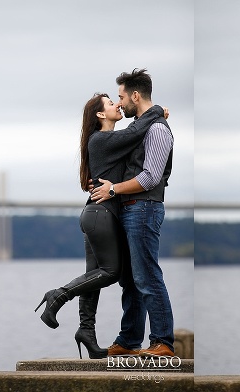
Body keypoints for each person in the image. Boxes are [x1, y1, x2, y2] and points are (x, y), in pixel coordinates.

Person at [35, 92, 168, 359]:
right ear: (100, 114)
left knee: (92, 277)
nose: (118, 104)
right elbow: (135, 131)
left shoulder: (108, 141)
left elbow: (135, 134)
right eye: (111, 103)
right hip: (101, 215)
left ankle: (86, 331)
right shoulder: (101, 139)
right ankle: (58, 295)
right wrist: (155, 111)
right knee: (110, 272)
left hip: (96, 215)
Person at [89, 68, 175, 358]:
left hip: (145, 208)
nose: (119, 102)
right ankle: (129, 339)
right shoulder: (140, 127)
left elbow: (150, 177)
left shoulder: (158, 129)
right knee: (130, 280)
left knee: (147, 276)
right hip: (129, 210)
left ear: (135, 96)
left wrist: (113, 190)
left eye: (122, 96)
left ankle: (162, 341)